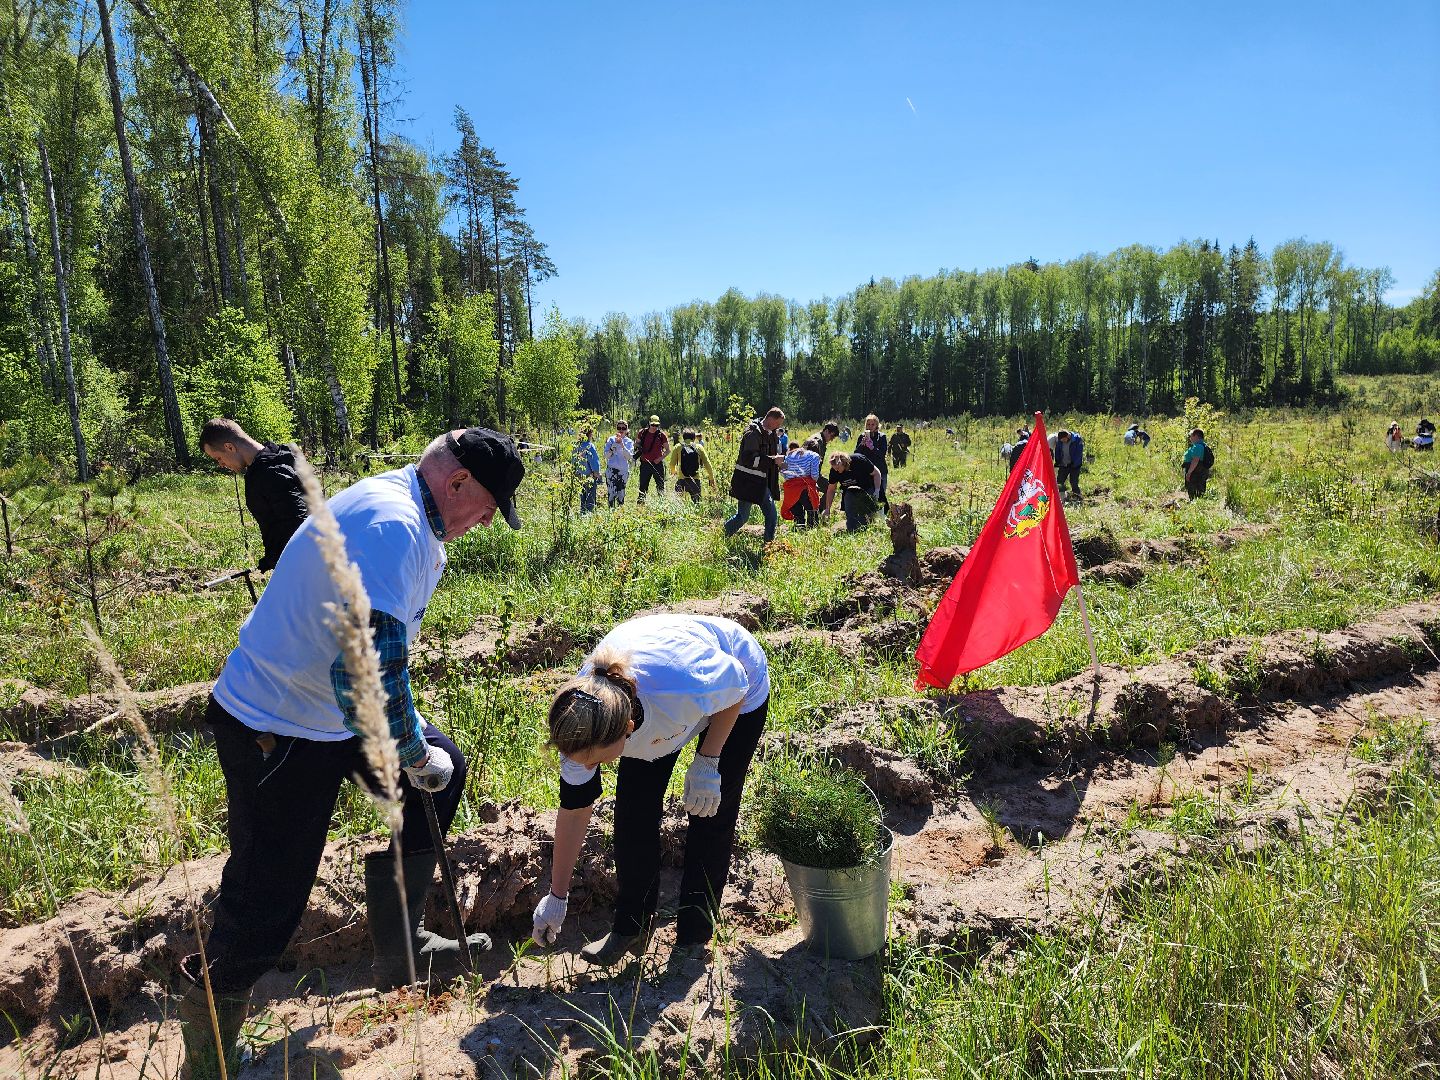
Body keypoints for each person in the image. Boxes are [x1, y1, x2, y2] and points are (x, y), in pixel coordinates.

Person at [178, 428, 524, 1079]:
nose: (486, 521)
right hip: (277, 726)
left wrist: (418, 745)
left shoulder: (416, 517)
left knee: (440, 776)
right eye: (487, 506)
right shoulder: (392, 526)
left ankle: (399, 942)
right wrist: (409, 748)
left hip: (330, 714)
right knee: (267, 896)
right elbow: (364, 670)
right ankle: (209, 1055)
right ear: (458, 484)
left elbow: (383, 654)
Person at [530, 614, 770, 965]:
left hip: (736, 687)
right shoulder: (580, 720)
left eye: (593, 760)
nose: (584, 768)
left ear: (626, 730)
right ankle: (631, 928)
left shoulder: (680, 687)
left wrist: (708, 760)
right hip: (662, 704)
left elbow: (736, 684)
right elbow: (575, 809)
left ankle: (693, 938)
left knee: (709, 811)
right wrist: (557, 896)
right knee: (632, 813)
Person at [200, 418, 308, 575]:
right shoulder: (280, 457)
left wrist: (278, 560)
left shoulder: (268, 473)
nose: (221, 464)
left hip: (302, 568)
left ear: (229, 447)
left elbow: (298, 524)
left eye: (218, 458)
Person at [723, 407, 786, 543]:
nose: (779, 427)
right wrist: (773, 460)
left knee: (771, 515)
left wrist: (779, 463)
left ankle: (769, 544)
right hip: (748, 482)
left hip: (762, 483)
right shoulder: (753, 434)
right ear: (770, 419)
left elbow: (771, 457)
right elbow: (749, 459)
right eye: (778, 423)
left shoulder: (772, 433)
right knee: (743, 517)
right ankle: (723, 534)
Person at [820, 451, 882, 532]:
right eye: (835, 469)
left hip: (866, 488)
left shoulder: (859, 460)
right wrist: (828, 508)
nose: (837, 471)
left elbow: (877, 473)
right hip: (849, 492)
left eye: (838, 468)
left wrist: (877, 490)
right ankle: (852, 531)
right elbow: (831, 490)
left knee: (866, 516)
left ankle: (867, 529)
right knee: (851, 518)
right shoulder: (834, 471)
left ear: (843, 462)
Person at [780, 436, 823, 528]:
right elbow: (814, 475)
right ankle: (812, 531)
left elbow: (782, 471)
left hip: (791, 489)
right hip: (805, 488)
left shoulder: (790, 455)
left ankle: (799, 530)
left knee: (798, 515)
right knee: (812, 512)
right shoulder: (814, 456)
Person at [668, 428, 716, 504]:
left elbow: (671, 464)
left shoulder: (678, 447)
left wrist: (674, 472)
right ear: (694, 438)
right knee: (697, 504)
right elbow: (707, 464)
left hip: (681, 480)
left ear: (683, 437)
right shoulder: (699, 447)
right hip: (695, 481)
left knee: (677, 504)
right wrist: (711, 478)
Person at [855, 414, 889, 507]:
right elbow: (856, 454)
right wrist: (861, 444)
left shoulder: (881, 437)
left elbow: (882, 454)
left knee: (880, 496)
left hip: (880, 469)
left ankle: (881, 517)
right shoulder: (862, 436)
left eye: (872, 424)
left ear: (877, 425)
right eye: (868, 424)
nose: (870, 427)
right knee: (866, 496)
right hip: (866, 471)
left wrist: (873, 447)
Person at [635, 416, 670, 503]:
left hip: (657, 464)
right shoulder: (642, 433)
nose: (654, 427)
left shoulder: (661, 435)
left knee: (660, 486)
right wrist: (639, 448)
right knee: (643, 487)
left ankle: (662, 505)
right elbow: (636, 444)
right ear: (649, 424)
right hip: (645, 464)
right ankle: (640, 506)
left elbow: (668, 450)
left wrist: (660, 458)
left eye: (656, 425)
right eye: (652, 425)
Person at [603, 422, 635, 507]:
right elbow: (606, 456)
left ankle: (620, 514)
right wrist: (612, 447)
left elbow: (629, 457)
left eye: (623, 428)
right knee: (611, 494)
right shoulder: (611, 439)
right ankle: (610, 512)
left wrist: (622, 445)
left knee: (621, 494)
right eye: (619, 428)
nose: (621, 430)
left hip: (623, 471)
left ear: (626, 430)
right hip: (611, 470)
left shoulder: (629, 441)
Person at [572, 427, 602, 513]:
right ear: (590, 434)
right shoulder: (589, 446)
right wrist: (597, 475)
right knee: (590, 500)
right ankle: (588, 516)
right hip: (589, 477)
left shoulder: (576, 446)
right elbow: (594, 462)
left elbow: (573, 461)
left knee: (582, 498)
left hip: (578, 476)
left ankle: (582, 514)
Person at [1052, 429, 1084, 498]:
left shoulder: (1077, 439)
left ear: (1067, 436)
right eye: (1061, 440)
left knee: (1074, 482)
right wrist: (1057, 461)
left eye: (1063, 440)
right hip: (1064, 464)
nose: (1062, 441)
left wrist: (1074, 463)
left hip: (1075, 465)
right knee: (1060, 481)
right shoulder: (1060, 440)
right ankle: (1061, 497)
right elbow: (1057, 450)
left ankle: (1077, 497)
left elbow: (1079, 453)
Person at [1183, 427, 1212, 499]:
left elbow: (1195, 460)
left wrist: (1189, 473)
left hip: (1195, 472)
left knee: (1193, 488)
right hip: (1201, 471)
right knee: (1200, 488)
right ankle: (1199, 503)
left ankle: (1194, 503)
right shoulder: (1204, 445)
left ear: (1196, 436)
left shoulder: (1197, 446)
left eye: (1191, 436)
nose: (1190, 438)